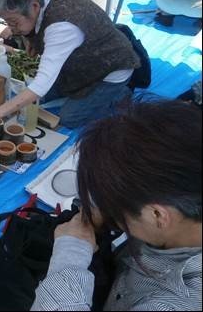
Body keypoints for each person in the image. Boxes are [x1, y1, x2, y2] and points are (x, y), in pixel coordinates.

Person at [32, 99, 202, 311]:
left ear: (157, 215)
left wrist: (71, 252)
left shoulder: (181, 302)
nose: (115, 219)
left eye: (119, 213)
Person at [0, 0, 139, 129]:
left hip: (110, 70)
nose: (11, 28)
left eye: (14, 22)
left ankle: (118, 96)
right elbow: (35, 25)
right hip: (79, 62)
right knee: (36, 99)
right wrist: (31, 39)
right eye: (7, 22)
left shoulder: (62, 27)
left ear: (34, 6)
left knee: (68, 118)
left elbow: (40, 86)